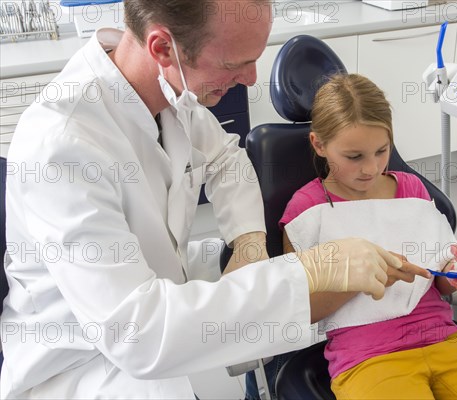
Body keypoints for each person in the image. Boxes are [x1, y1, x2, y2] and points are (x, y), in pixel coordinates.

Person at [0, 2, 428, 398]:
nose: (253, 79)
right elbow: (139, 334)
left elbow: (227, 158)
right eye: (234, 63)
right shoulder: (62, 145)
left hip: (157, 285)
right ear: (163, 47)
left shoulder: (170, 96)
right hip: (85, 361)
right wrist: (308, 272)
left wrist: (248, 242)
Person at [279, 73, 457, 400]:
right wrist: (364, 276)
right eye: (354, 157)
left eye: (382, 151)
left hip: (445, 340)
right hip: (367, 357)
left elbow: (438, 280)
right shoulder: (307, 209)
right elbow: (301, 310)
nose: (370, 168)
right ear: (319, 145)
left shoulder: (411, 189)